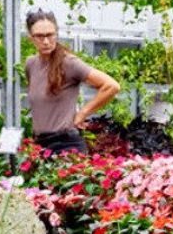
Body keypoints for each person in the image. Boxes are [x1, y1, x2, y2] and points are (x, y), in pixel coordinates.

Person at [23, 10, 120, 153]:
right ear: (31, 37)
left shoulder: (69, 63)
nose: (46, 41)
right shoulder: (31, 64)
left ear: (56, 34)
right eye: (39, 36)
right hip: (40, 146)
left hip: (66, 145)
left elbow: (112, 86)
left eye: (50, 35)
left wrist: (82, 114)